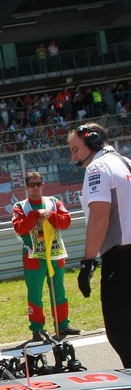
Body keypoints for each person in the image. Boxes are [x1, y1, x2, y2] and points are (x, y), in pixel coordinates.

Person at [68, 122, 131, 366]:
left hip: (121, 259)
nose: (73, 155)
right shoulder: (126, 162)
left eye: (75, 149)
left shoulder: (97, 168)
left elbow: (99, 217)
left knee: (120, 329)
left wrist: (87, 261)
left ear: (93, 142)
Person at [11, 171, 80, 341]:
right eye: (31, 185)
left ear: (43, 185)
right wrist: (35, 216)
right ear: (26, 187)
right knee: (35, 295)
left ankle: (62, 325)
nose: (35, 188)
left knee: (59, 292)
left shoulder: (54, 202)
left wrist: (51, 216)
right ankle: (37, 329)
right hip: (33, 256)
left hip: (56, 254)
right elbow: (19, 228)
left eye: (38, 184)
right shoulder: (20, 206)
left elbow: (66, 221)